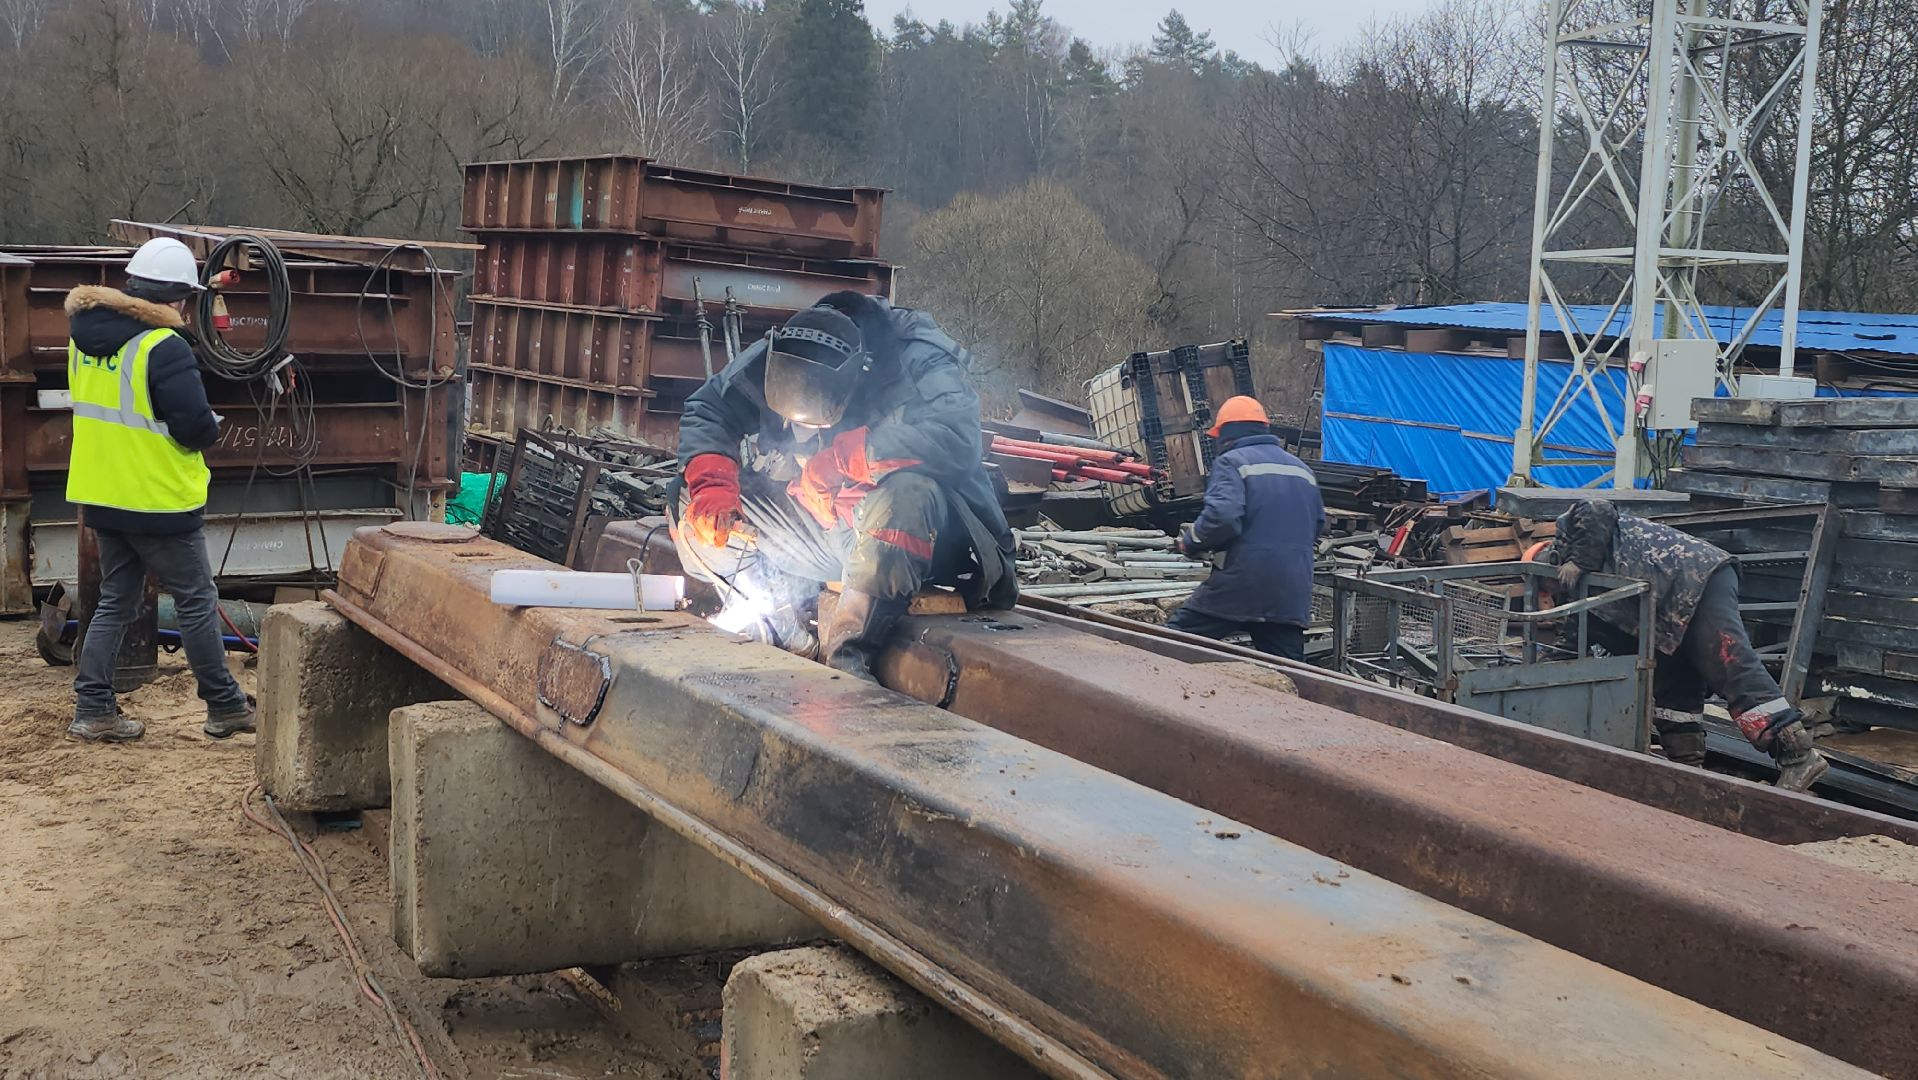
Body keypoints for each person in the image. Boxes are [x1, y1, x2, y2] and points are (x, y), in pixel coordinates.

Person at [672, 291, 1017, 678]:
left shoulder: (916, 355)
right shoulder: (788, 348)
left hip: (928, 544)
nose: (801, 433)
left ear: (860, 375)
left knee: (906, 495)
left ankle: (845, 661)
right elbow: (710, 408)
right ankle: (780, 630)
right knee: (690, 501)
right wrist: (714, 486)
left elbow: (958, 439)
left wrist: (843, 460)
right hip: (832, 530)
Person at [65, 237, 254, 743]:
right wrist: (210, 426)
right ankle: (225, 704)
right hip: (158, 497)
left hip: (103, 493)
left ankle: (94, 708)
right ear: (177, 298)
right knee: (195, 599)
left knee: (116, 599)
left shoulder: (83, 341)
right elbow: (193, 427)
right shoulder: (162, 345)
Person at [1544, 499, 1827, 791]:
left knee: (1729, 664)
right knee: (1673, 689)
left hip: (1692, 577)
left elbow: (1599, 507)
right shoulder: (1579, 601)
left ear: (1549, 559)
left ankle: (1797, 754)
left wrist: (1578, 561)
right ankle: (1688, 771)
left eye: (1543, 587)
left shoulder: (1572, 528)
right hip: (1664, 611)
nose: (1546, 595)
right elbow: (1566, 648)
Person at [1168, 396, 1324, 661]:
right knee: (1290, 672)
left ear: (1226, 434)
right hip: (1290, 591)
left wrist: (1192, 541)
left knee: (1170, 644)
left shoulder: (1233, 462)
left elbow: (1222, 516)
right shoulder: (1303, 471)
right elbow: (1318, 525)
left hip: (1242, 583)